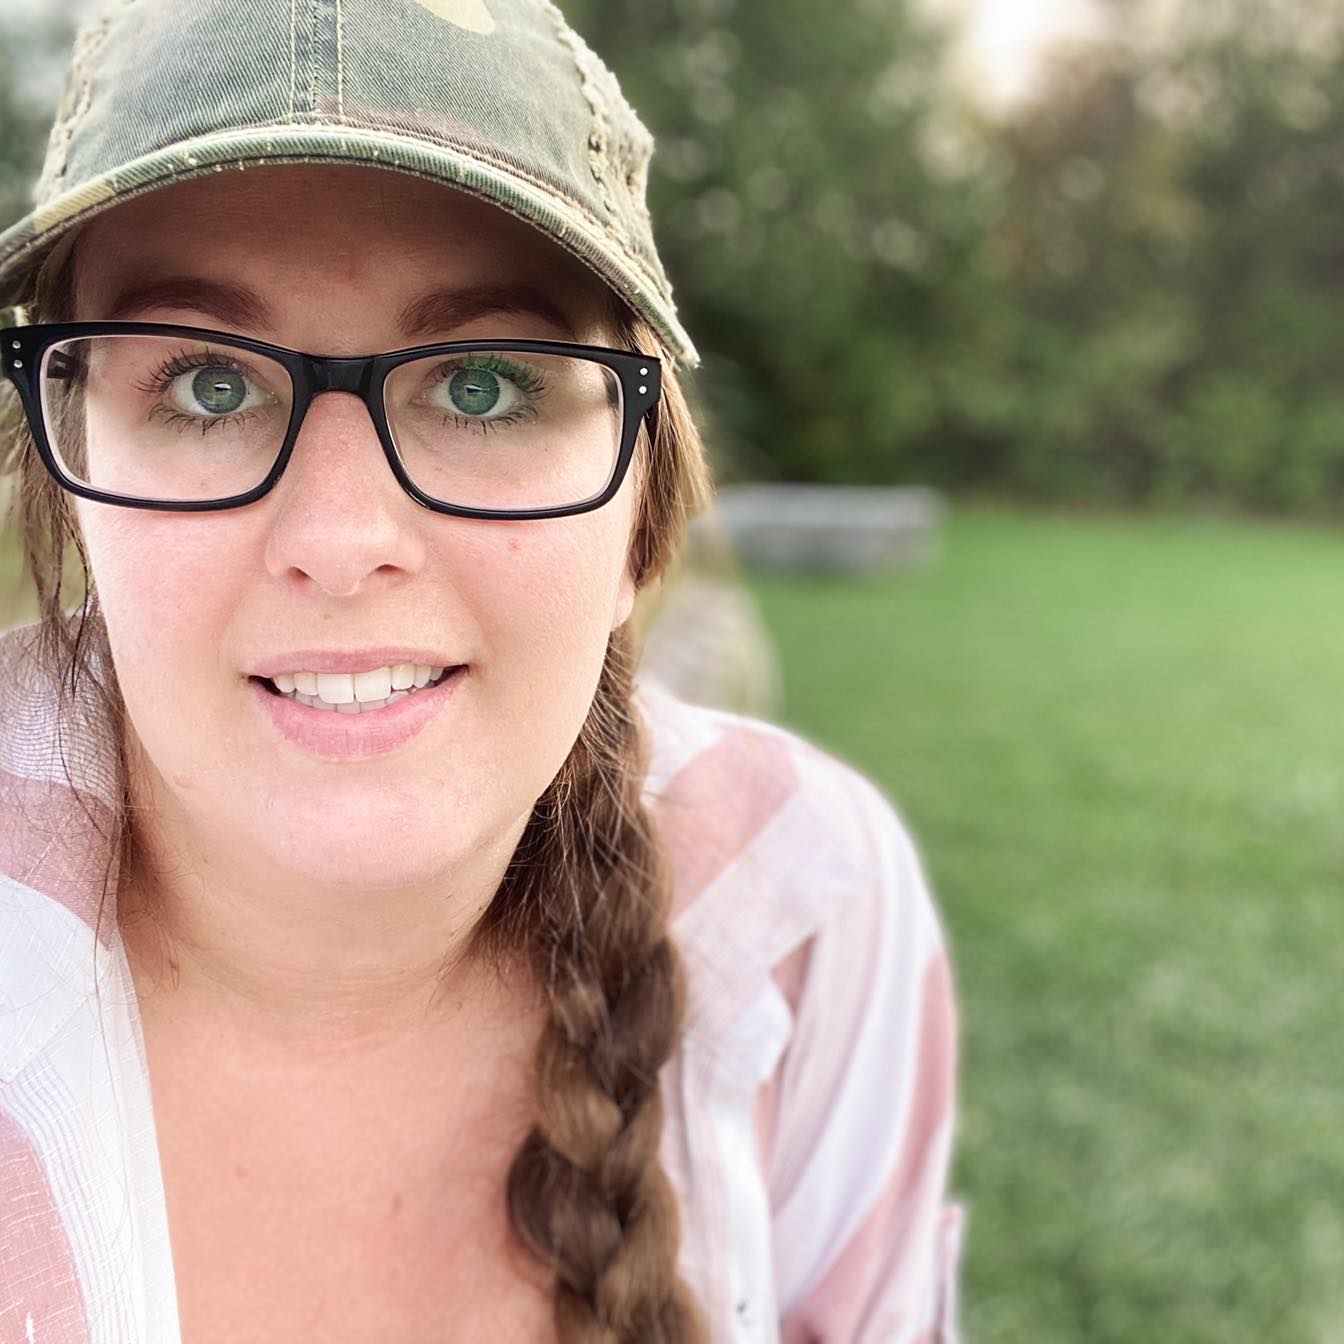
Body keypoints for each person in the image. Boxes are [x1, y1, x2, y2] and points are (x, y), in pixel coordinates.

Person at [0, 1, 965, 1339]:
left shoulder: (804, 909)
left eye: (483, 386)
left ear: (638, 514)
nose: (341, 543)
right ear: (72, 477)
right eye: (210, 386)